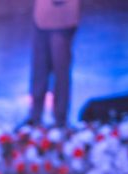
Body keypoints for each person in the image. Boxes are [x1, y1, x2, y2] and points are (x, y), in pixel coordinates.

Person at [27, 0, 81, 128]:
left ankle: (60, 119)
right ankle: (35, 117)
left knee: (60, 71)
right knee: (39, 70)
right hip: (41, 18)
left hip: (63, 19)